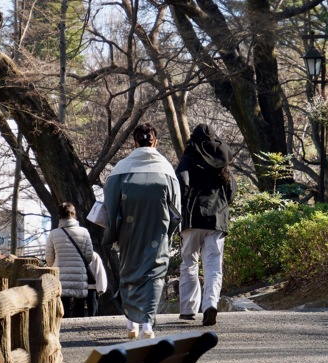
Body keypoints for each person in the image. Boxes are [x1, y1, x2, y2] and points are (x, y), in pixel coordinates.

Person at [103, 123, 180, 339]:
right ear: (155, 141)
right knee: (154, 275)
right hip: (158, 229)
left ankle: (131, 324)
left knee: (130, 272)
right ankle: (147, 325)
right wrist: (172, 232)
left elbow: (110, 204)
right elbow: (176, 207)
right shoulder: (165, 168)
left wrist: (113, 232)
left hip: (130, 230)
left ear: (135, 142)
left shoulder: (122, 168)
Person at [175, 123, 236, 326]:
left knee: (189, 263)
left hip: (192, 219)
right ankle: (210, 305)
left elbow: (181, 186)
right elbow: (231, 192)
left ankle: (188, 309)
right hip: (216, 220)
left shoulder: (188, 159)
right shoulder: (221, 161)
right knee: (213, 265)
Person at [45, 201, 95, 318]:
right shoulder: (84, 232)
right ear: (74, 214)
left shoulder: (53, 234)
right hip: (79, 273)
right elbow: (89, 255)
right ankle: (80, 330)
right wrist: (81, 264)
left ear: (60, 216)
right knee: (79, 306)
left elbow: (49, 257)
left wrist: (55, 267)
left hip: (60, 274)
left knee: (63, 305)